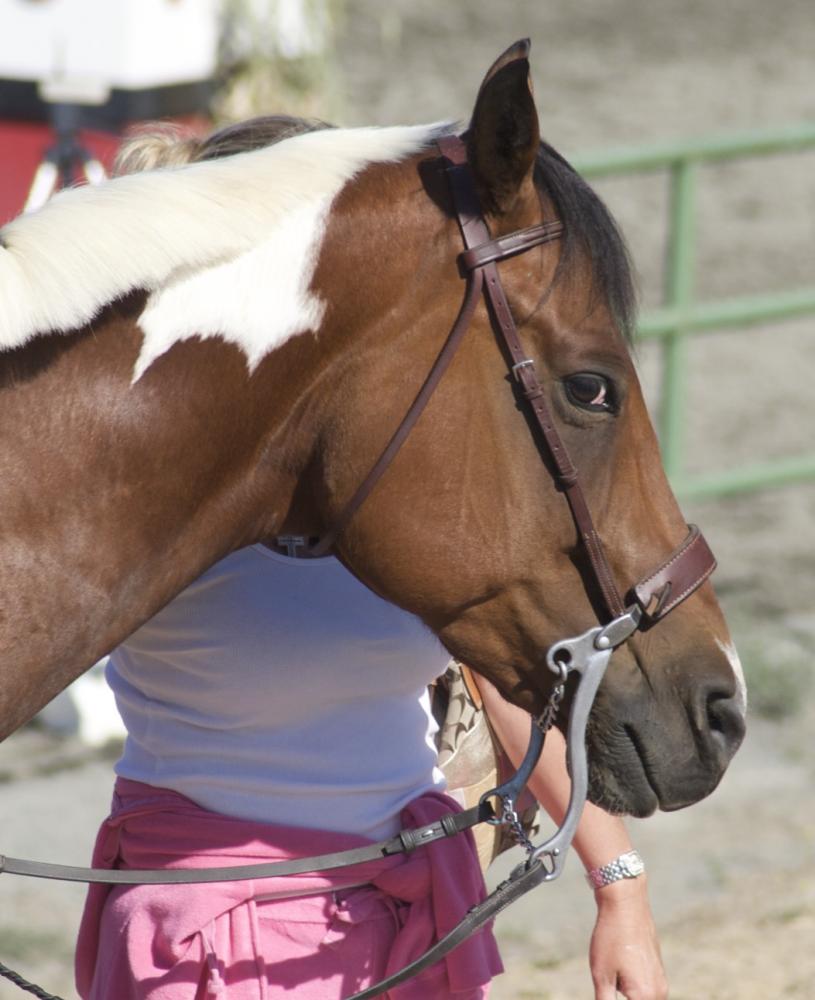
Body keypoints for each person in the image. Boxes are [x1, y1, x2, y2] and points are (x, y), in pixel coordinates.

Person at [75, 541, 667, 1000]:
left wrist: (621, 889)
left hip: (408, 916)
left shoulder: (406, 504)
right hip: (202, 932)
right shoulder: (158, 495)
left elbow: (512, 687)